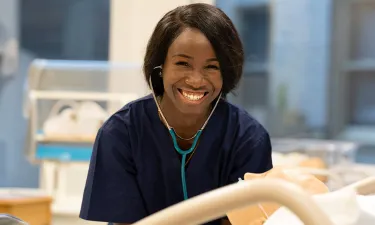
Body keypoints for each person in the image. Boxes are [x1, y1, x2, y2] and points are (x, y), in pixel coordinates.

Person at [79, 3, 273, 225]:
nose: (196, 80)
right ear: (160, 67)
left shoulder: (248, 139)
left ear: (226, 72)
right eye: (183, 64)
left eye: (211, 67)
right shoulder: (121, 134)